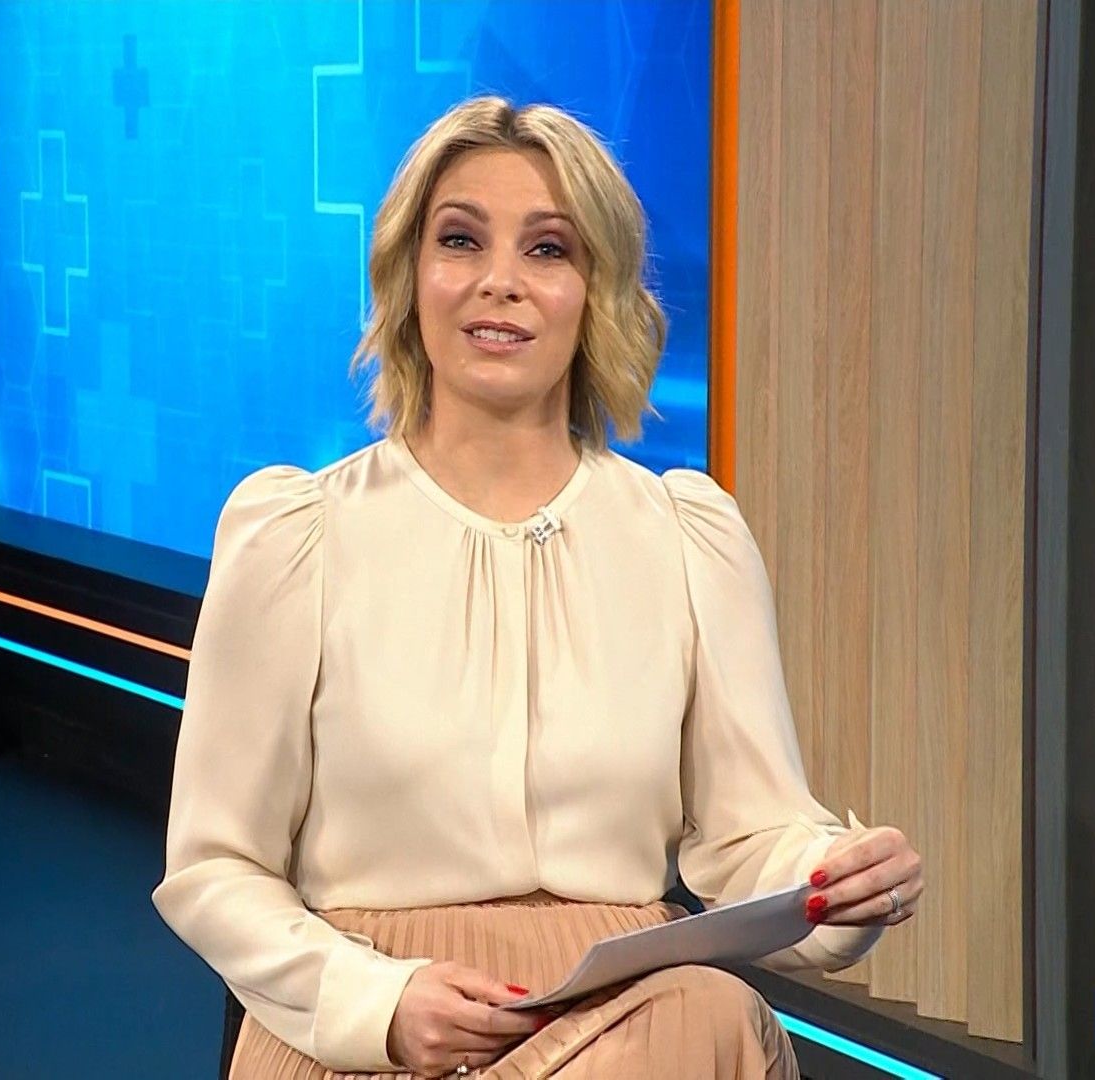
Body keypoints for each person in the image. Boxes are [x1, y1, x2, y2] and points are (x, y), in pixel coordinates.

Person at [153, 95, 924, 1079]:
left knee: (709, 1019)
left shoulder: (686, 538)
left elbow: (752, 838)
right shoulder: (298, 535)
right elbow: (216, 867)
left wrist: (834, 883)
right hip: (369, 1019)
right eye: (460, 240)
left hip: (632, 1018)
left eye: (548, 249)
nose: (500, 282)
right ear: (408, 278)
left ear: (596, 290)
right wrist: (376, 1003)